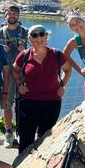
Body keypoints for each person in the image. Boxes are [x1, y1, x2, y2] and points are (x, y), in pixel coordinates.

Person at [13, 24, 71, 154]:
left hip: (52, 102)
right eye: (34, 35)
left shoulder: (56, 54)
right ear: (29, 39)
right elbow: (15, 70)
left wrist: (62, 85)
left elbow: (67, 70)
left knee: (45, 139)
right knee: (25, 138)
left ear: (46, 36)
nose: (39, 38)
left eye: (41, 34)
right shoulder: (24, 55)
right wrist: (19, 84)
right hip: (28, 102)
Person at [0, 5, 27, 148]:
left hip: (22, 72)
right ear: (5, 15)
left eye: (15, 13)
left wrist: (24, 49)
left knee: (22, 104)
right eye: (9, 13)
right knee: (7, 104)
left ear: (18, 16)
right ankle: (8, 133)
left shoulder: (25, 32)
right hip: (5, 73)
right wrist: (1, 50)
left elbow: (34, 49)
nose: (12, 15)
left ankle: (21, 133)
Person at [63, 9, 85, 99]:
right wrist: (80, 70)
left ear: (84, 21)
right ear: (70, 28)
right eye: (72, 25)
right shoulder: (74, 42)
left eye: (78, 21)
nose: (76, 26)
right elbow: (65, 56)